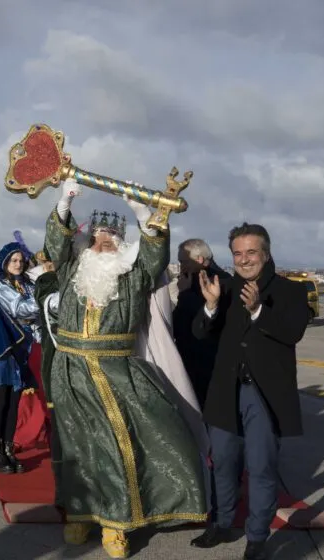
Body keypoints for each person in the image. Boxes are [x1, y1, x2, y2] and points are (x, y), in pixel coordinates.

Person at [44, 179, 207, 558]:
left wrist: (142, 213)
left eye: (112, 238)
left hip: (115, 372)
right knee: (74, 447)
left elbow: (153, 253)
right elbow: (56, 243)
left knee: (118, 447)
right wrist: (64, 200)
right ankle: (80, 515)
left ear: (121, 244)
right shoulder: (72, 269)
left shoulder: (133, 276)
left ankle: (116, 525)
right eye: (98, 236)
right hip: (69, 370)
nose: (104, 242)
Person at [189, 223, 309, 560]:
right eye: (238, 253)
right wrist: (211, 307)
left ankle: (257, 537)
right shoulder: (223, 289)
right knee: (223, 462)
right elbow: (201, 332)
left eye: (251, 252)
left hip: (265, 394)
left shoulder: (291, 291)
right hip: (226, 391)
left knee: (261, 466)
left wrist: (258, 310)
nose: (244, 259)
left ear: (266, 253)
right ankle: (222, 523)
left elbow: (292, 332)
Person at [0, 238, 43, 474]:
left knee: (14, 404)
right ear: (5, 263)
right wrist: (49, 300)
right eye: (13, 260)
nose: (18, 264)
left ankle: (8, 450)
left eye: (21, 260)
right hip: (1, 351)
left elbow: (37, 318)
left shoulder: (29, 285)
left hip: (21, 351)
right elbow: (21, 309)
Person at [173, 239, 231, 408]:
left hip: (205, 363)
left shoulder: (217, 284)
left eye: (184, 262)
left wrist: (184, 292)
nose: (181, 266)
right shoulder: (195, 280)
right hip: (197, 360)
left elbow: (189, 323)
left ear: (199, 260)